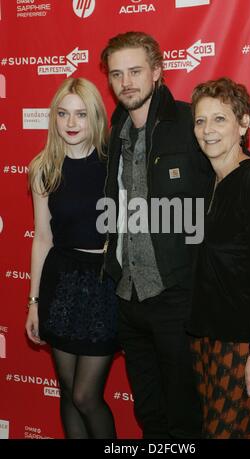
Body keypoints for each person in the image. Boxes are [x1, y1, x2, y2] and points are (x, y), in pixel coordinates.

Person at [100, 31, 213, 439]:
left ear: (157, 72)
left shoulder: (188, 121)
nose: (126, 82)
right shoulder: (115, 131)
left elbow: (234, 174)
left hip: (176, 294)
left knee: (185, 414)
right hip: (128, 297)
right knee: (149, 412)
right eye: (116, 74)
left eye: (135, 71)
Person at [187, 77, 250, 439]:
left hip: (245, 344)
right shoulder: (209, 182)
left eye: (220, 119)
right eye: (200, 120)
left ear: (243, 123)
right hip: (206, 339)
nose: (207, 130)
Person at [25, 77, 119, 439]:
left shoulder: (114, 165)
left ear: (95, 116)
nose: (71, 122)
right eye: (63, 113)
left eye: (81, 114)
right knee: (67, 390)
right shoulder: (43, 169)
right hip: (60, 283)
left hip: (103, 284)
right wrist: (33, 302)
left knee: (85, 395)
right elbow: (42, 238)